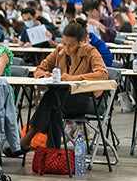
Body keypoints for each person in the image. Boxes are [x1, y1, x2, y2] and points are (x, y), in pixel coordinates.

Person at [20, 18, 108, 150]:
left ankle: (28, 137)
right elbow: (39, 69)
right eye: (64, 43)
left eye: (71, 45)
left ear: (80, 43)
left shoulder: (90, 52)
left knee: (52, 98)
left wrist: (73, 78)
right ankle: (53, 153)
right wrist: (46, 75)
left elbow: (102, 74)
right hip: (63, 100)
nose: (66, 48)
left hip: (89, 100)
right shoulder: (59, 51)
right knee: (55, 107)